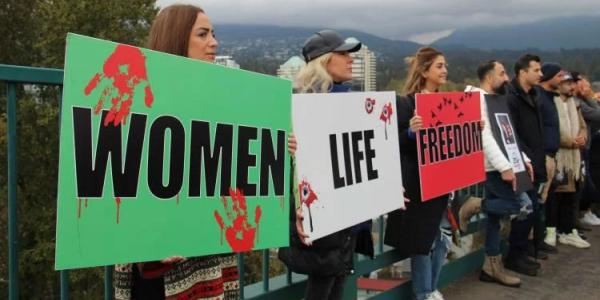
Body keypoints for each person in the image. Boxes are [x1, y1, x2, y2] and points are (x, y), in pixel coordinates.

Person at [113, 5, 240, 300]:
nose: (214, 42)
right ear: (177, 38)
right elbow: (121, 182)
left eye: (213, 33)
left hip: (207, 259)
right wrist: (146, 242)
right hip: (161, 271)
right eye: (203, 34)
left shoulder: (217, 101)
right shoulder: (140, 100)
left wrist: (278, 148)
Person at [289, 29, 374, 300]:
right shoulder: (304, 105)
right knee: (324, 285)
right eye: (343, 53)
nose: (351, 59)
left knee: (336, 281)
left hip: (346, 216)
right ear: (325, 61)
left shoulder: (346, 102)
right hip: (324, 214)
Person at [385, 46, 452, 300]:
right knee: (423, 240)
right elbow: (395, 143)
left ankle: (431, 288)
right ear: (424, 71)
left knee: (442, 236)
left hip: (441, 182)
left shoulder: (447, 104)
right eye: (439, 66)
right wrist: (411, 132)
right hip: (419, 184)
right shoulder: (406, 103)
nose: (445, 70)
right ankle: (424, 292)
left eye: (445, 65)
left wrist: (471, 128)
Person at [465, 60, 535, 288]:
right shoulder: (477, 100)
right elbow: (485, 137)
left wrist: (523, 160)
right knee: (523, 206)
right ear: (488, 77)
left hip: (505, 165)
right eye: (502, 73)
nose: (507, 78)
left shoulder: (497, 99)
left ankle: (491, 267)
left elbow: (507, 134)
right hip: (494, 168)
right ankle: (476, 204)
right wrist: (505, 166)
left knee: (496, 220)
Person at [505, 54, 545, 276]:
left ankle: (522, 252)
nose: (540, 74)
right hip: (521, 162)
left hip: (534, 161)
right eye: (536, 70)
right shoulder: (512, 98)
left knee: (533, 209)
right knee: (525, 210)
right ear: (522, 72)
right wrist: (525, 158)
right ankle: (514, 255)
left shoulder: (533, 95)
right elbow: (513, 133)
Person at [546, 72, 591, 248]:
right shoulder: (552, 103)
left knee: (571, 194)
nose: (571, 86)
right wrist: (568, 141)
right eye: (567, 83)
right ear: (558, 84)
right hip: (559, 155)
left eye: (572, 83)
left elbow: (582, 126)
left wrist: (583, 137)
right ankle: (552, 230)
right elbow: (551, 129)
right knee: (555, 195)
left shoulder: (574, 104)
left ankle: (567, 231)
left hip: (574, 157)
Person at [535, 62, 564, 256]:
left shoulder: (550, 98)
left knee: (544, 200)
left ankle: (539, 239)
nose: (562, 79)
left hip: (552, 156)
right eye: (559, 76)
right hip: (543, 156)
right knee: (536, 201)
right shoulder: (539, 98)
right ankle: (532, 243)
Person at [572, 72, 600, 226]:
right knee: (584, 185)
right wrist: (590, 96)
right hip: (580, 147)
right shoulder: (577, 102)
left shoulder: (580, 101)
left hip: (586, 145)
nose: (585, 87)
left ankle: (584, 213)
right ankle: (581, 215)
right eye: (582, 83)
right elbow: (598, 115)